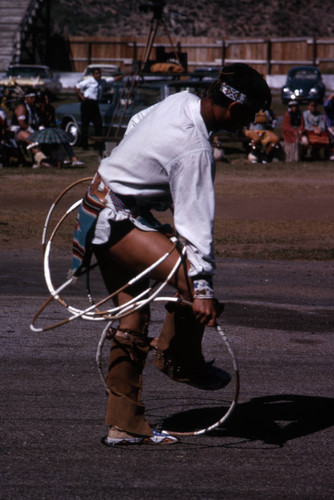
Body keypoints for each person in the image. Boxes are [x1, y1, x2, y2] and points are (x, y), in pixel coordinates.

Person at [72, 63, 271, 446]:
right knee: (190, 284)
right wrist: (203, 289)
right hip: (117, 217)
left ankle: (124, 425)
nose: (247, 123)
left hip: (98, 204)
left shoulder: (181, 100)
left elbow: (137, 123)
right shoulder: (195, 149)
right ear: (233, 109)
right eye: (249, 115)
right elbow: (195, 224)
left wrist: (134, 178)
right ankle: (178, 359)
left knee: (133, 318)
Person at [75, 68, 123, 154]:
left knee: (98, 124)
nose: (98, 75)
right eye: (96, 73)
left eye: (99, 73)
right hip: (87, 103)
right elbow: (76, 87)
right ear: (93, 75)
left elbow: (113, 79)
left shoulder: (102, 81)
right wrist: (81, 97)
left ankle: (98, 144)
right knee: (85, 124)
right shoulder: (89, 81)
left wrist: (124, 75)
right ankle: (84, 144)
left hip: (95, 104)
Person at [10, 92, 50, 168]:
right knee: (32, 140)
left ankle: (41, 159)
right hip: (16, 132)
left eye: (34, 97)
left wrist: (41, 128)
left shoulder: (34, 108)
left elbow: (39, 121)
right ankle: (42, 160)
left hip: (29, 131)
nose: (33, 99)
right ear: (26, 98)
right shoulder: (22, 107)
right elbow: (21, 123)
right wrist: (31, 130)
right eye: (31, 98)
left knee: (39, 138)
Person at [324, 92, 334, 161]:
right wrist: (332, 95)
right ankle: (331, 154)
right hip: (330, 126)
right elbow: (325, 104)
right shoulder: (329, 106)